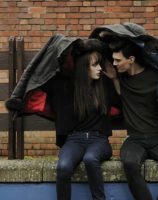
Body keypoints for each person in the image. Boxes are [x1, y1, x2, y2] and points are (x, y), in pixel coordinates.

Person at [5, 38, 121, 200]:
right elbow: (44, 72)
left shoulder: (104, 85)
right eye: (95, 64)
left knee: (90, 159)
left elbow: (122, 101)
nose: (100, 68)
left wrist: (115, 78)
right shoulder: (66, 87)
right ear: (83, 68)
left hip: (99, 140)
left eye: (100, 64)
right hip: (74, 140)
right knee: (64, 167)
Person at [90, 23, 158, 200]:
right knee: (130, 163)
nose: (114, 63)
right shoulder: (120, 77)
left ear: (132, 59)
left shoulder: (157, 76)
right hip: (134, 139)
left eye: (118, 60)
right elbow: (102, 47)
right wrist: (105, 34)